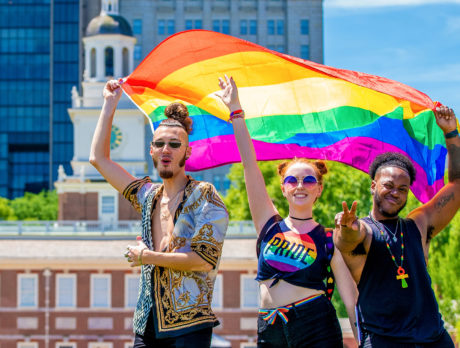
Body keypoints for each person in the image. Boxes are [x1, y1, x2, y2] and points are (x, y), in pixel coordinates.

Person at [215, 75, 358, 347]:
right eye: (292, 180)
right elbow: (249, 166)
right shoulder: (269, 226)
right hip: (270, 328)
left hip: (316, 326)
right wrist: (236, 112)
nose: (300, 185)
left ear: (319, 189)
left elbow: (351, 302)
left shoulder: (329, 240)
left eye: (309, 180)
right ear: (283, 188)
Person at [90, 80, 229, 348]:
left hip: (189, 325)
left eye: (174, 145)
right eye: (160, 143)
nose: (166, 149)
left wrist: (148, 257)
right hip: (146, 323)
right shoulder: (147, 195)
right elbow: (99, 159)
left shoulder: (206, 195)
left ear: (187, 152)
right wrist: (109, 103)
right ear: (151, 150)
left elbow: (203, 260)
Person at [334, 106, 459, 347]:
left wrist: (451, 133)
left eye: (403, 189)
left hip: (433, 339)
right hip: (384, 341)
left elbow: (457, 184)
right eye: (388, 185)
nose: (395, 193)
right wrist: (346, 227)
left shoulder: (419, 224)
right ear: (373, 186)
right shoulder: (364, 230)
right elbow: (347, 240)